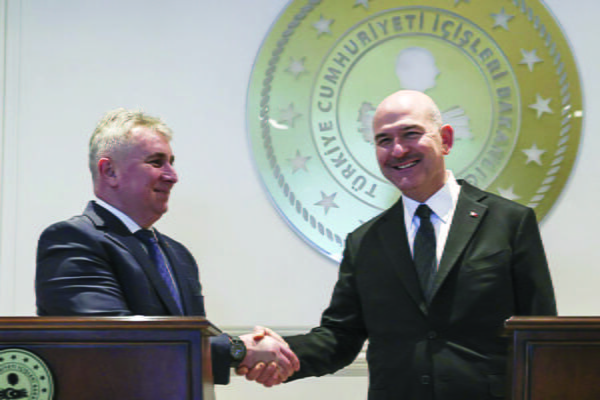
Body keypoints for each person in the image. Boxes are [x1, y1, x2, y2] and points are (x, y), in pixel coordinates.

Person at [241, 90, 557, 398]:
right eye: (384, 140)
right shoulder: (364, 242)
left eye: (411, 134)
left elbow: (542, 339)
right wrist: (281, 352)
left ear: (445, 139)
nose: (398, 150)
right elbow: (340, 337)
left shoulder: (510, 223)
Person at [35, 108, 299, 386]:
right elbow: (111, 344)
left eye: (171, 163)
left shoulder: (177, 254)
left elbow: (191, 345)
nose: (172, 176)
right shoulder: (71, 240)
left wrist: (252, 352)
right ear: (110, 171)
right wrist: (239, 350)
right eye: (156, 162)